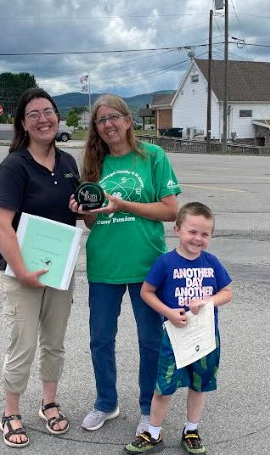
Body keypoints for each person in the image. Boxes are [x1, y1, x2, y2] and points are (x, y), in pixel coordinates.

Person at [69, 94, 181, 435]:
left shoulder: (153, 157)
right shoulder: (92, 164)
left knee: (150, 340)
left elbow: (171, 210)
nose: (108, 124)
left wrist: (124, 205)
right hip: (105, 263)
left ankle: (148, 407)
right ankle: (106, 402)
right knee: (100, 338)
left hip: (148, 264)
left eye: (113, 117)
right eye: (100, 120)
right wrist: (85, 213)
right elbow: (92, 224)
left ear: (128, 120)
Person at [0, 87, 80, 448]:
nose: (43, 119)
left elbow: (79, 216)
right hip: (21, 273)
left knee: (54, 343)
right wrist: (23, 270)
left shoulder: (68, 163)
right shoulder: (14, 165)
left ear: (58, 117)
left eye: (48, 112)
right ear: (23, 124)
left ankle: (49, 403)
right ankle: (10, 412)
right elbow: (0, 224)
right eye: (34, 115)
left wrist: (84, 208)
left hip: (59, 270)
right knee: (22, 344)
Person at [122, 202, 232, 455]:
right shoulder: (165, 262)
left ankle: (191, 430)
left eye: (205, 234)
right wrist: (169, 312)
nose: (198, 239)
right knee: (164, 387)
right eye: (192, 232)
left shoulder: (212, 262)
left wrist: (208, 302)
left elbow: (227, 293)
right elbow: (146, 292)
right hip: (175, 336)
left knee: (199, 384)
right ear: (177, 229)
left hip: (205, 337)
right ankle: (153, 433)